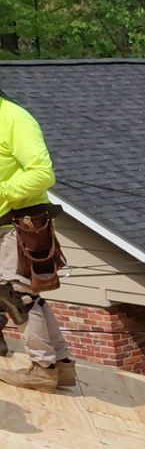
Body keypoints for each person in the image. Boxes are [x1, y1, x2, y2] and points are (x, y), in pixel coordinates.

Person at [0, 93, 75, 390]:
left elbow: (42, 174)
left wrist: (2, 192)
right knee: (28, 296)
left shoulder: (15, 119)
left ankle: (43, 367)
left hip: (21, 222)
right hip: (9, 220)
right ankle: (62, 365)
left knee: (17, 297)